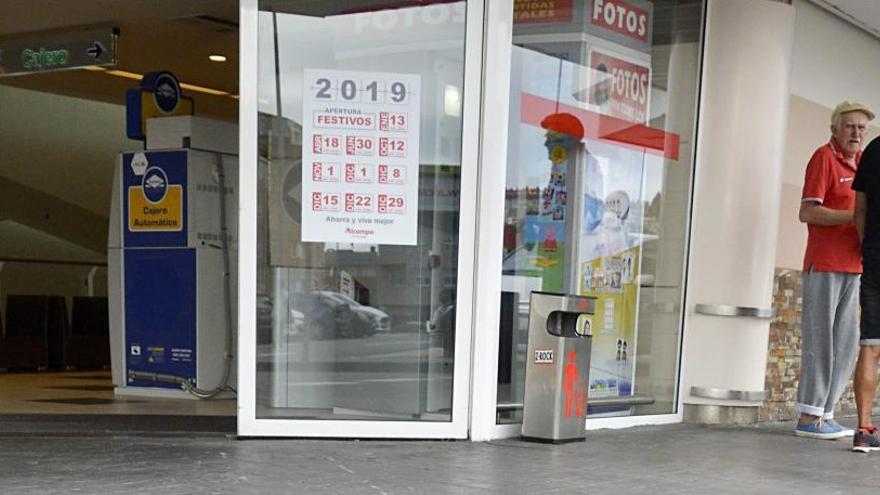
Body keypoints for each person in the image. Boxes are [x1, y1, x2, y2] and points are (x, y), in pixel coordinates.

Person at [795, 101, 874, 439]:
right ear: (835, 130)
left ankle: (825, 413)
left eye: (861, 128)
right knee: (820, 343)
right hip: (824, 264)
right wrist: (853, 217)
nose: (856, 133)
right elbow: (808, 212)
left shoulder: (862, 167)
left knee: (844, 345)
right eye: (850, 126)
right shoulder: (823, 158)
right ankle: (809, 417)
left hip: (855, 266)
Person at [851, 123, 880, 452]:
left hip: (875, 256)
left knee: (871, 344)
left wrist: (867, 247)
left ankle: (864, 428)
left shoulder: (872, 150)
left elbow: (860, 210)